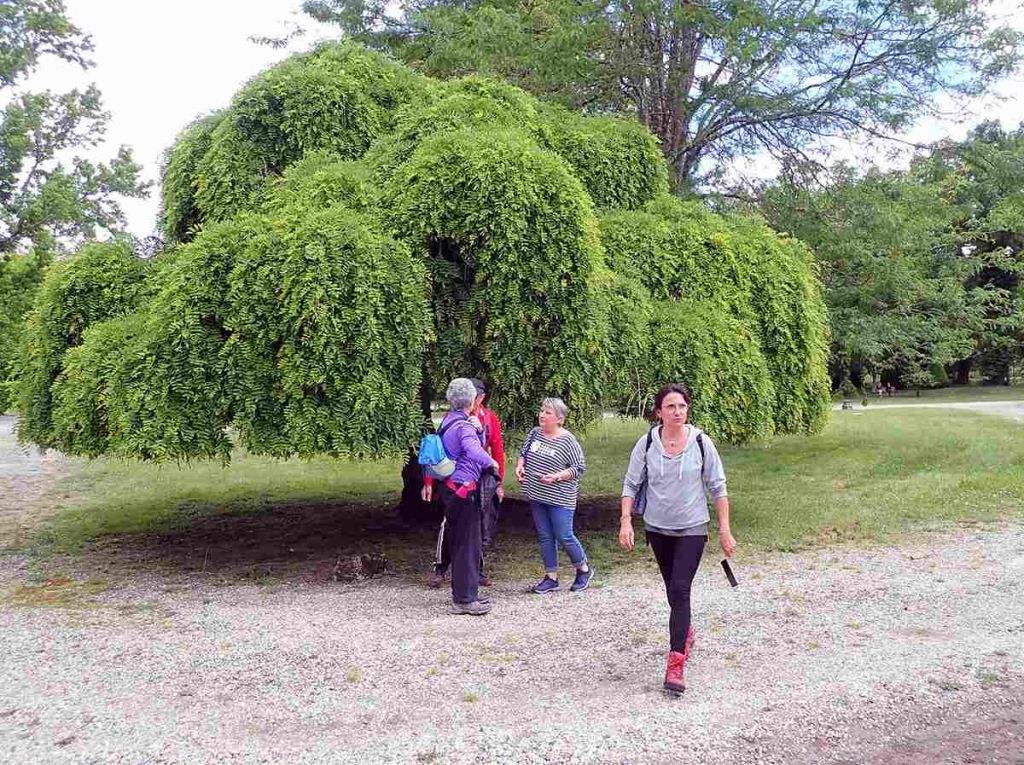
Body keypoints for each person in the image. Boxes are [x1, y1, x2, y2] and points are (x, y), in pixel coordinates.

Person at [618, 383, 737, 695]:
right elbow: (631, 484)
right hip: (657, 528)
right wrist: (626, 522)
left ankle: (675, 665)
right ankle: (686, 631)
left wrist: (725, 529)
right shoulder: (647, 443)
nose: (677, 412)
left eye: (682, 406)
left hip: (692, 528)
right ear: (659, 412)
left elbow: (718, 487)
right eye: (670, 407)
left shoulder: (700, 442)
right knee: (673, 589)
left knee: (681, 589)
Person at [420, 378, 500, 615]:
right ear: (472, 400)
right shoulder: (463, 426)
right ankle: (464, 600)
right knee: (467, 545)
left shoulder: (450, 420)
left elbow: (469, 444)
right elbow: (473, 450)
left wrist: (479, 429)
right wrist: (491, 462)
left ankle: (467, 593)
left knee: (461, 542)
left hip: (451, 489)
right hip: (464, 491)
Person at [515, 397, 593, 594]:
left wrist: (557, 476)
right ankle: (551, 577)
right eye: (542, 411)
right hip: (537, 494)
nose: (542, 415)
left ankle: (583, 569)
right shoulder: (534, 433)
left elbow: (578, 468)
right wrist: (520, 466)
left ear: (559, 419)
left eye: (548, 413)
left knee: (564, 535)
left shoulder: (568, 440)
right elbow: (524, 453)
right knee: (545, 536)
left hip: (560, 497)